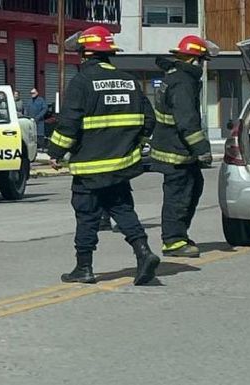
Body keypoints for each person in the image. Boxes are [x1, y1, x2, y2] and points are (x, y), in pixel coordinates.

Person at [47, 26, 159, 286]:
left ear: (85, 54)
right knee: (122, 208)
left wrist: (55, 152)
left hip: (89, 167)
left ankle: (84, 267)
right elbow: (149, 120)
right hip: (121, 165)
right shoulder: (129, 80)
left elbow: (69, 123)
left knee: (87, 215)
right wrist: (133, 145)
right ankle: (144, 253)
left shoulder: (82, 82)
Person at [150, 35, 213, 258]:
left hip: (173, 146)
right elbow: (187, 121)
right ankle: (173, 241)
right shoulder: (184, 83)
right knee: (179, 196)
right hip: (176, 151)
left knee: (194, 186)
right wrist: (202, 149)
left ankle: (179, 234)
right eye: (202, 61)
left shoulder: (175, 76)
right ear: (194, 60)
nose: (203, 66)